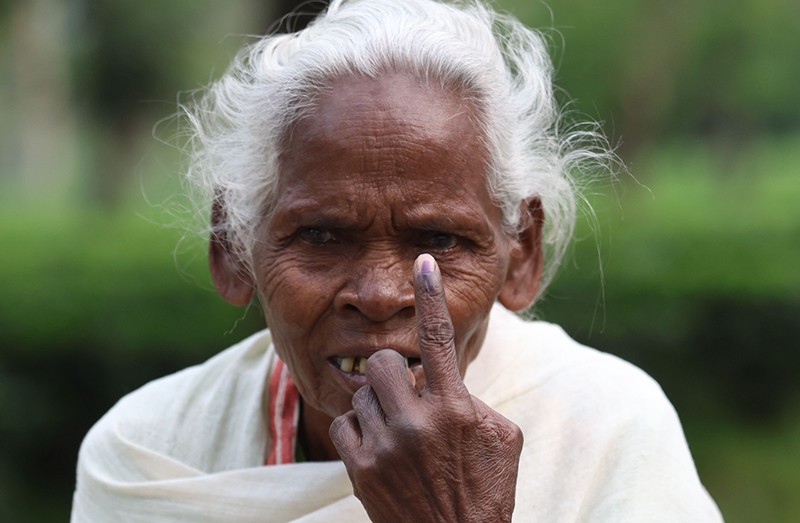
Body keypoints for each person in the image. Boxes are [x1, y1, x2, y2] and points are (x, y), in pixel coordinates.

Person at [71, 0, 723, 521]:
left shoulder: (604, 430)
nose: (381, 294)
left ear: (520, 252)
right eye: (322, 234)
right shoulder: (149, 455)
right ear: (235, 247)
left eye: (439, 240)